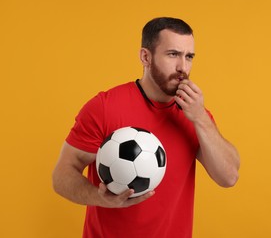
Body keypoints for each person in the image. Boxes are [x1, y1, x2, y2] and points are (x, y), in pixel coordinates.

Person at [52, 17, 240, 238]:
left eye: (188, 57)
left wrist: (200, 118)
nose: (183, 67)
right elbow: (62, 176)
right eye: (173, 54)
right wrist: (99, 198)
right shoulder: (104, 107)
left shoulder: (194, 113)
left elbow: (229, 177)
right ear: (145, 57)